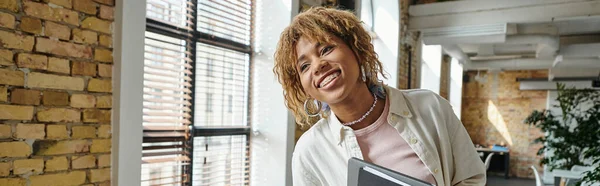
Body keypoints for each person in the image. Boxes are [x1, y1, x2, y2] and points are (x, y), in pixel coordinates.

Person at [273, 7, 486, 186]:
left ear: (357, 50)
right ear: (303, 86)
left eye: (326, 49)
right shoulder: (309, 152)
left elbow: (471, 178)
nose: (318, 66)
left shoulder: (431, 107)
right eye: (304, 66)